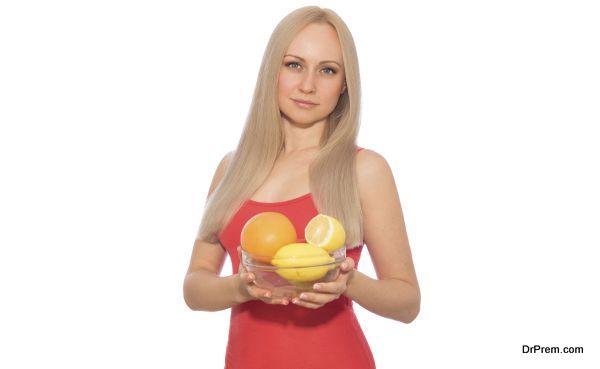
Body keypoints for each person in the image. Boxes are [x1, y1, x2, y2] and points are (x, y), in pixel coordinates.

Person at [183, 6, 420, 369]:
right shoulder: (232, 169)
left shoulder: (364, 169)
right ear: (272, 70)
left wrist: (348, 282)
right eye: (294, 64)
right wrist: (240, 288)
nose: (308, 85)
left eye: (327, 70)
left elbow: (407, 303)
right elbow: (194, 288)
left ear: (344, 85)